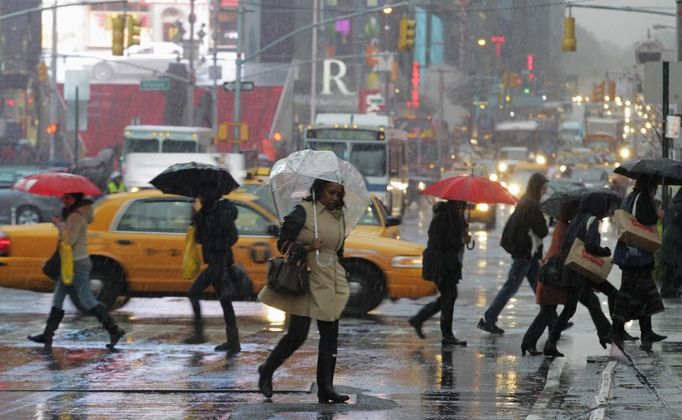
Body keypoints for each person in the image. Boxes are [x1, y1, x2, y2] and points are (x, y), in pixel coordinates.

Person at [257, 179, 350, 403]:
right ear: (318, 191)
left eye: (339, 194)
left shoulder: (338, 216)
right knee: (297, 334)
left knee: (330, 334)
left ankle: (326, 387)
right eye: (331, 193)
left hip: (329, 280)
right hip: (305, 280)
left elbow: (338, 251)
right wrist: (307, 248)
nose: (335, 198)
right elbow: (283, 244)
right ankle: (267, 370)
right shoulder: (303, 212)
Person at [28, 192, 125, 351]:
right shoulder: (76, 215)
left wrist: (58, 225)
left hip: (76, 264)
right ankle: (48, 334)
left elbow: (68, 241)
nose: (64, 200)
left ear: (75, 200)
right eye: (64, 197)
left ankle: (114, 330)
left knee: (87, 299)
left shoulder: (76, 216)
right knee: (58, 297)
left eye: (68, 198)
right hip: (70, 263)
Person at [541, 192, 619, 357]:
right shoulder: (591, 220)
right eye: (605, 207)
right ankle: (614, 332)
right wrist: (604, 251)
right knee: (612, 293)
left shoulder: (577, 218)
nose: (607, 211)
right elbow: (590, 246)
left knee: (572, 308)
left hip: (572, 269)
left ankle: (552, 342)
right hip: (581, 272)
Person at [478, 172, 549, 335]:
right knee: (511, 287)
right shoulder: (532, 205)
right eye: (543, 188)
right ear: (537, 187)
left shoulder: (527, 202)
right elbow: (542, 231)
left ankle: (552, 319)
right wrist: (544, 217)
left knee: (538, 287)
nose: (545, 191)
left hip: (527, 254)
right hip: (524, 254)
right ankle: (488, 319)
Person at [182, 182, 241, 357]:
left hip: (219, 263)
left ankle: (200, 333)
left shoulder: (221, 212)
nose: (200, 197)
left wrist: (216, 242)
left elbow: (232, 237)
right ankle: (233, 341)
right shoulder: (207, 213)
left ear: (210, 195)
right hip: (216, 262)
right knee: (225, 301)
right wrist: (197, 220)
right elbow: (200, 239)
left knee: (194, 293)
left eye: (202, 194)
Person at [609, 177, 667, 351]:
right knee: (632, 294)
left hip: (630, 254)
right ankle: (618, 329)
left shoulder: (630, 197)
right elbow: (644, 219)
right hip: (637, 255)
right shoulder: (642, 198)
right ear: (651, 185)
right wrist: (657, 214)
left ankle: (643, 331)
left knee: (642, 295)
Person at [408, 200, 470, 346]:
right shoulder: (443, 217)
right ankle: (446, 335)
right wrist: (461, 239)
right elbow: (441, 242)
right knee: (450, 296)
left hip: (449, 264)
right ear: (456, 204)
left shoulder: (456, 217)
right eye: (461, 205)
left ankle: (419, 318)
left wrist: (464, 230)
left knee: (448, 296)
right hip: (441, 265)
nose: (463, 208)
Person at [660, 188, 682, 298]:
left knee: (671, 266)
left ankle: (668, 290)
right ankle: (670, 290)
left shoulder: (673, 204)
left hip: (669, 237)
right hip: (676, 239)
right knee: (676, 266)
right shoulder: (680, 206)